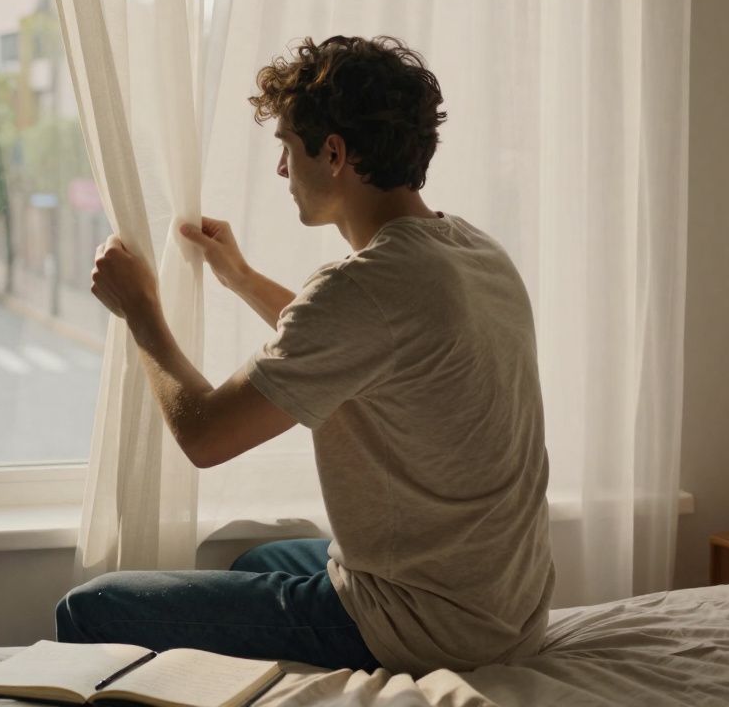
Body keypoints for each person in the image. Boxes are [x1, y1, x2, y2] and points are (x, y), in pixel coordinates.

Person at [56, 35, 555, 675]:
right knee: (256, 563)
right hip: (503, 610)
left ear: (335, 152)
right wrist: (238, 276)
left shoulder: (362, 286)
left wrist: (141, 312)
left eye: (288, 147)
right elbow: (366, 342)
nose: (282, 171)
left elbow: (206, 436)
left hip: (430, 630)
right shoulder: (471, 251)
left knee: (90, 608)